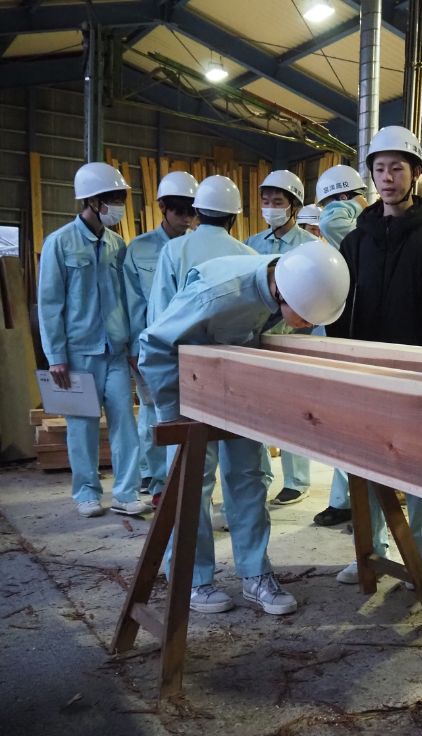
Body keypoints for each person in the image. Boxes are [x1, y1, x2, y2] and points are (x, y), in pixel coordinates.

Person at [139, 240, 350, 615]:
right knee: (192, 483)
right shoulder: (218, 296)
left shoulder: (293, 276)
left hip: (237, 386)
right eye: (305, 317)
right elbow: (154, 345)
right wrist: (175, 416)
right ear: (280, 292)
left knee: (249, 478)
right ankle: (193, 578)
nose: (307, 325)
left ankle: (255, 574)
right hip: (187, 386)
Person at [326, 125, 422, 587]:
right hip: (365, 373)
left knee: (421, 471)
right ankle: (369, 551)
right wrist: (345, 355)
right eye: (380, 169)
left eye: (397, 168)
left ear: (416, 174)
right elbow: (339, 302)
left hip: (418, 372)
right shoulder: (357, 240)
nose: (387, 178)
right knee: (363, 467)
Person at [37, 161, 150, 518]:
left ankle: (125, 492)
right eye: (112, 198)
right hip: (77, 354)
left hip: (115, 351)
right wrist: (55, 355)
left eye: (120, 197)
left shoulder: (118, 245)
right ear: (92, 200)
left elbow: (128, 300)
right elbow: (50, 303)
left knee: (125, 424)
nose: (118, 205)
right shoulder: (60, 243)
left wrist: (132, 345)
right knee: (82, 428)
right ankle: (86, 492)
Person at [150, 175, 257, 526]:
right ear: (235, 217)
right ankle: (256, 574)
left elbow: (160, 323)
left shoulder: (174, 251)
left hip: (187, 379)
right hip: (239, 380)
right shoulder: (251, 258)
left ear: (196, 212)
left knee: (190, 480)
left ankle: (193, 578)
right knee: (246, 477)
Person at [245, 170, 320, 508]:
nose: (270, 208)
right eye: (265, 202)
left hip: (294, 340)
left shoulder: (309, 247)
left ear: (293, 205)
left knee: (292, 415)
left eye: (277, 202)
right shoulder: (252, 245)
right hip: (259, 339)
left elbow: (319, 298)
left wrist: (314, 345)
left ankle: (296, 480)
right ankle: (262, 474)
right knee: (258, 414)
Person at [124, 170, 198, 504]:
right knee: (152, 413)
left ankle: (179, 480)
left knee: (186, 416)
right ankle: (155, 480)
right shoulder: (138, 250)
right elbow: (131, 302)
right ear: (163, 208)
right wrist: (134, 348)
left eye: (191, 211)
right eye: (179, 210)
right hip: (150, 348)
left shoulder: (196, 248)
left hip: (189, 349)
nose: (185, 219)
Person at [313, 198, 366, 528]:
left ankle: (350, 503)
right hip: (338, 342)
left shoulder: (354, 235)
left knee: (354, 432)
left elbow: (332, 222)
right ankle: (344, 501)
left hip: (361, 346)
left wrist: (354, 203)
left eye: (335, 203)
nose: (331, 211)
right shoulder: (338, 248)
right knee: (344, 431)